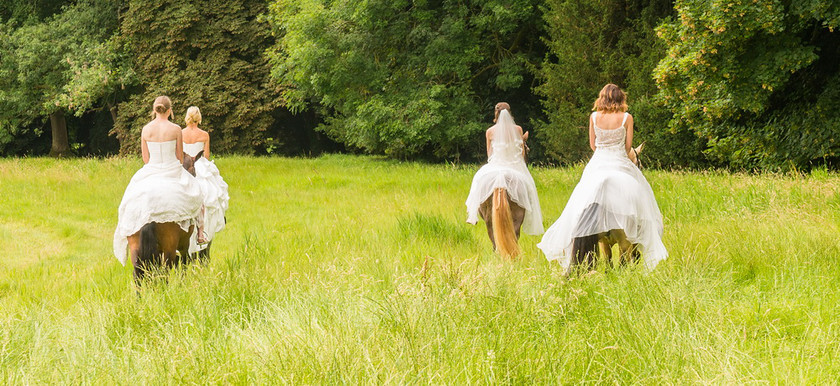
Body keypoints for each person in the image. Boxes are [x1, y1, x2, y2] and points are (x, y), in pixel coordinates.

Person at [537, 84, 667, 273]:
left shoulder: (594, 117)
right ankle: (637, 237)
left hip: (598, 163)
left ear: (601, 99)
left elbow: (593, 145)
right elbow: (627, 147)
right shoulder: (627, 118)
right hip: (619, 162)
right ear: (621, 98)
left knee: (579, 201)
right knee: (643, 199)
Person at [113, 96, 203, 265]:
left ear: (154, 110)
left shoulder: (146, 130)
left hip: (151, 170)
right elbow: (179, 157)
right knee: (197, 194)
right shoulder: (176, 129)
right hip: (172, 169)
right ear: (170, 111)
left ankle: (128, 232)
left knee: (128, 199)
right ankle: (200, 233)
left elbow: (146, 159)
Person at [465, 103, 543, 254]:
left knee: (477, 181)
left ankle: (473, 213)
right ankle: (529, 217)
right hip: (514, 167)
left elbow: (490, 155)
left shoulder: (489, 132)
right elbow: (521, 153)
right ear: (510, 113)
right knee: (530, 188)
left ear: (496, 114)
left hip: (496, 165)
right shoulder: (518, 129)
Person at [181, 106, 229, 247]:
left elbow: (178, 154)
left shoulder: (180, 133)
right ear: (199, 117)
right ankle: (206, 229)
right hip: (199, 165)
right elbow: (206, 156)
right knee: (214, 191)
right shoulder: (204, 134)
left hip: (185, 165)